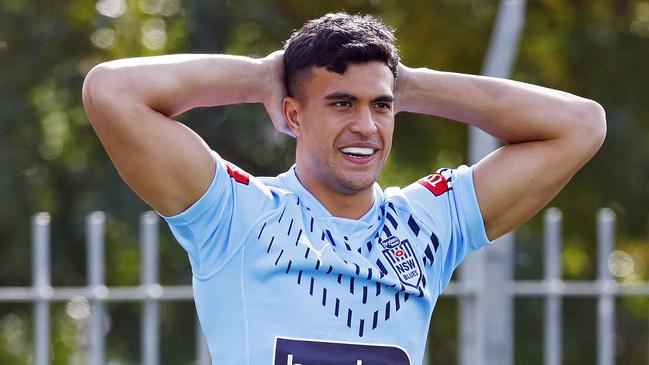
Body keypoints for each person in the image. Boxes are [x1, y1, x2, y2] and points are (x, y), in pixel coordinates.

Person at [82, 12, 606, 365]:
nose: (366, 126)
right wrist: (260, 76)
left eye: (379, 106)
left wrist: (411, 85)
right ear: (293, 113)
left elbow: (581, 124)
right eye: (340, 103)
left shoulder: (427, 222)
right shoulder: (235, 214)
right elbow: (111, 91)